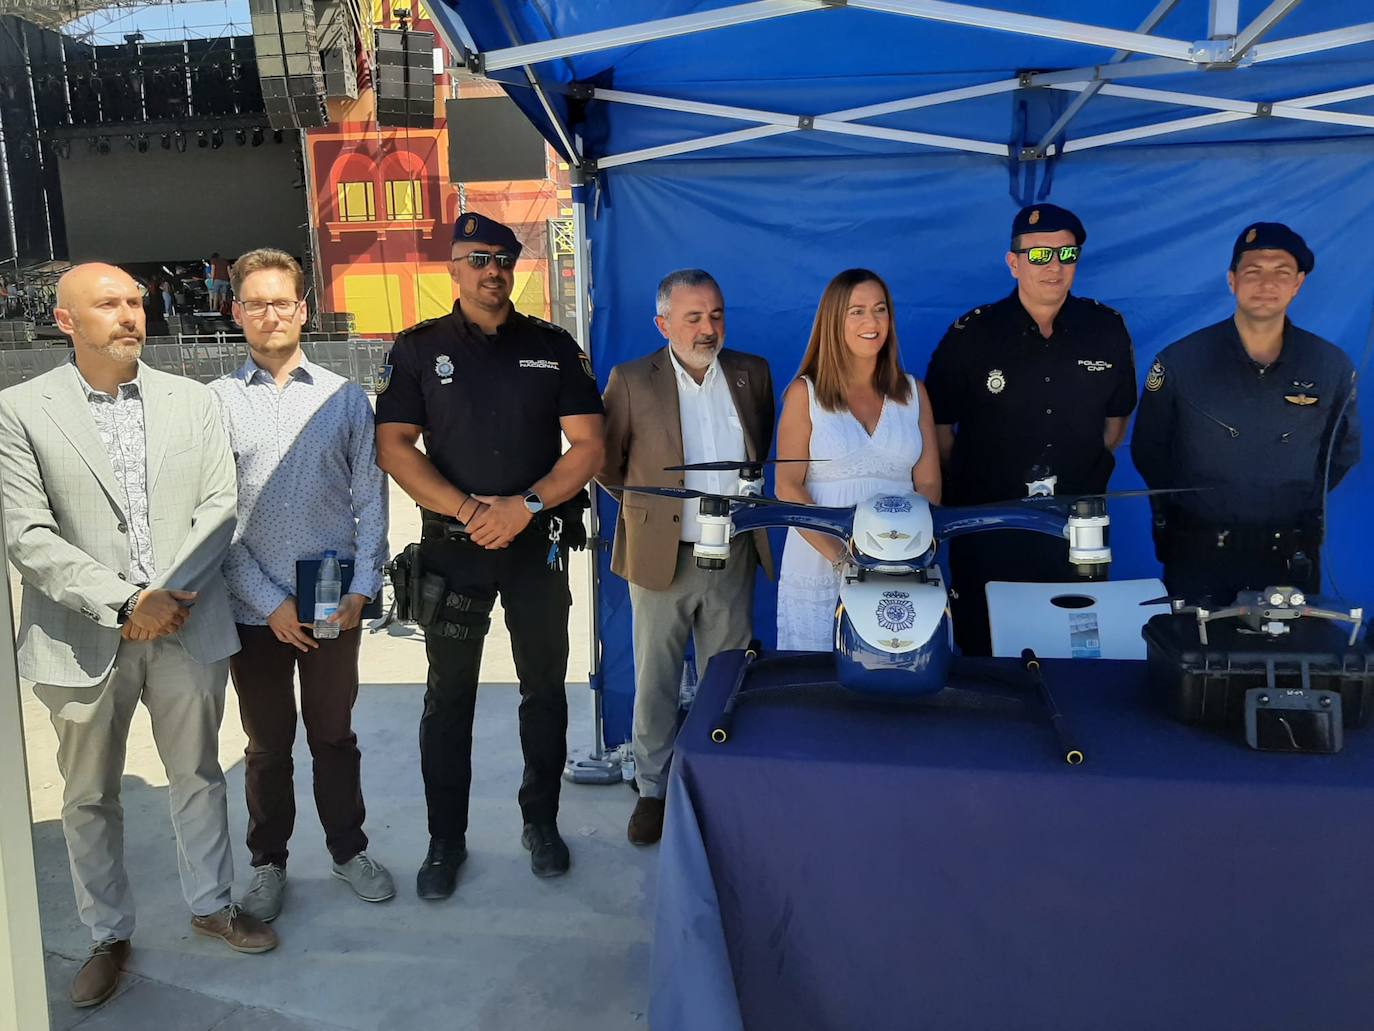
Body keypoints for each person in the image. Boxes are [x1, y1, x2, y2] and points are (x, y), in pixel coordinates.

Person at [0, 263, 277, 1010]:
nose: (129, 315)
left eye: (135, 302)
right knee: (88, 794)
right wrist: (127, 602)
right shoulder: (19, 411)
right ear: (65, 321)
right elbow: (27, 534)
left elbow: (221, 504)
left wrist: (169, 597)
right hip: (83, 636)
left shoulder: (191, 401)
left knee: (198, 773)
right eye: (109, 304)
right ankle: (107, 933)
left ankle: (212, 901)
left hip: (187, 622)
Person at [375, 212, 605, 897]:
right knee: (449, 700)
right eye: (477, 258)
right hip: (455, 550)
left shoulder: (553, 346)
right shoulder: (418, 349)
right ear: (453, 269)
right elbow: (395, 446)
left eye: (503, 258)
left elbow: (588, 446)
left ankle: (542, 823)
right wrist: (469, 510)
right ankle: (446, 840)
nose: (492, 270)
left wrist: (523, 507)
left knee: (544, 691)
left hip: (538, 544)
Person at [210, 248, 394, 924]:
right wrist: (269, 601)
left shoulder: (344, 397)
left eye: (281, 301)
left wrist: (363, 586)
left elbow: (371, 498)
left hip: (329, 597)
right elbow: (212, 517)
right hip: (253, 606)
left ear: (303, 309)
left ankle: (348, 851)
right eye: (255, 302)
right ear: (237, 312)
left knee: (333, 735)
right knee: (265, 745)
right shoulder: (217, 403)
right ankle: (268, 863)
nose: (269, 313)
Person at [598, 269, 775, 845]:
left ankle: (719, 782)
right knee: (656, 680)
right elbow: (606, 463)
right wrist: (649, 513)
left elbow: (762, 447)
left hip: (734, 555)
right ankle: (653, 789)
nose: (707, 328)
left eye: (716, 315)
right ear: (663, 323)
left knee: (728, 677)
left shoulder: (752, 374)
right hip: (661, 559)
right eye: (694, 317)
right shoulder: (630, 381)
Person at [925, 203, 1137, 656]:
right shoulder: (972, 335)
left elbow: (1115, 424)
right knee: (986, 651)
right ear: (1014, 262)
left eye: (1066, 254)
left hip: (1074, 528)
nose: (1054, 267)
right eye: (1039, 255)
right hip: (988, 524)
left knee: (1080, 649)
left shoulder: (1106, 329)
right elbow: (939, 430)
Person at [1131, 222, 1360, 603]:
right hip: (1198, 553)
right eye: (1253, 271)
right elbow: (1150, 449)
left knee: (1288, 661)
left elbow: (1342, 453)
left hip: (1290, 554)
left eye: (1281, 273)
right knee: (1194, 658)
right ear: (1232, 281)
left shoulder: (1329, 366)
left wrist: (1289, 494)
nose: (1266, 284)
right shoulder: (1182, 361)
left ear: (1298, 283)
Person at [775, 268, 941, 651]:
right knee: (820, 683)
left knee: (898, 676)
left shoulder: (914, 392)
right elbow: (787, 486)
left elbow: (929, 482)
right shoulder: (806, 393)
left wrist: (906, 552)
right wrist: (843, 561)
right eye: (857, 311)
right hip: (822, 560)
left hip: (901, 567)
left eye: (880, 310)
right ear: (834, 321)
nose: (872, 322)